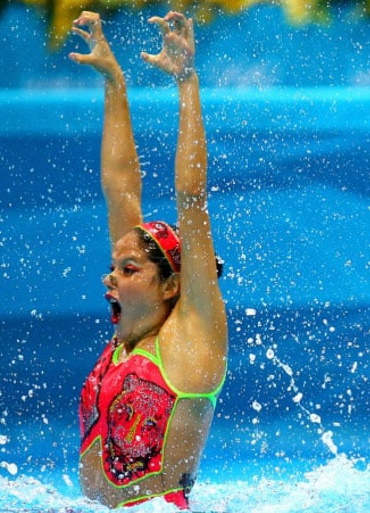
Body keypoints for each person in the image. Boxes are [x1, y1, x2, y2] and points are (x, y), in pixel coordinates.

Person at [69, 11, 228, 509]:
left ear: (170, 285)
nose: (111, 278)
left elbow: (191, 197)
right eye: (116, 267)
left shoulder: (192, 338)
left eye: (129, 270)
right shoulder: (125, 337)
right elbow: (120, 188)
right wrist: (115, 84)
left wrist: (186, 83)